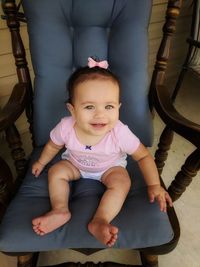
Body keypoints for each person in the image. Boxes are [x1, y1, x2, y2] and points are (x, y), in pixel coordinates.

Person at [32, 57, 173, 247]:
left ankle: (100, 219)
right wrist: (41, 162)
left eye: (109, 106)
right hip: (75, 164)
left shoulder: (119, 132)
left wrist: (154, 184)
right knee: (56, 171)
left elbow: (143, 156)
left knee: (122, 181)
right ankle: (60, 210)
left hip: (109, 167)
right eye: (89, 107)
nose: (100, 114)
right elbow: (53, 146)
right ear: (72, 110)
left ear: (118, 108)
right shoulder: (66, 127)